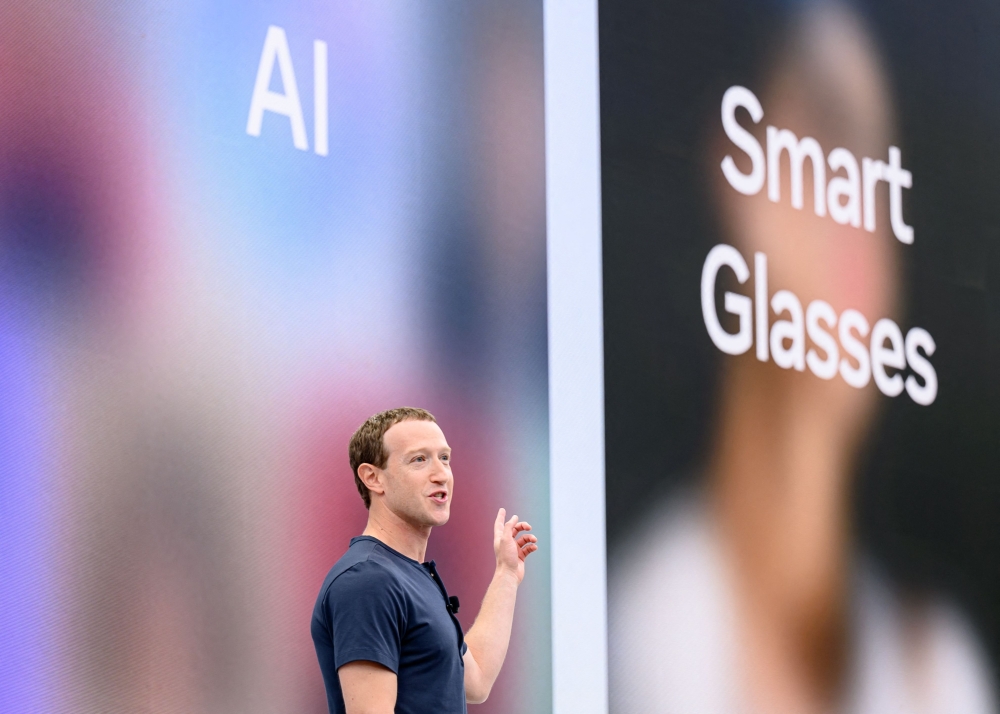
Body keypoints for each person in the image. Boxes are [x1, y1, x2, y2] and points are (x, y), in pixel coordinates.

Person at [608, 3, 996, 713]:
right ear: (732, 176)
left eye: (878, 183)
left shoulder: (941, 672)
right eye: (826, 138)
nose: (855, 233)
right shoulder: (634, 625)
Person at [311, 407, 538, 714]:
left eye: (444, 458)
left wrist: (507, 574)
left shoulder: (410, 577)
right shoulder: (367, 580)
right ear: (373, 478)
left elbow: (476, 681)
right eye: (419, 459)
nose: (441, 474)